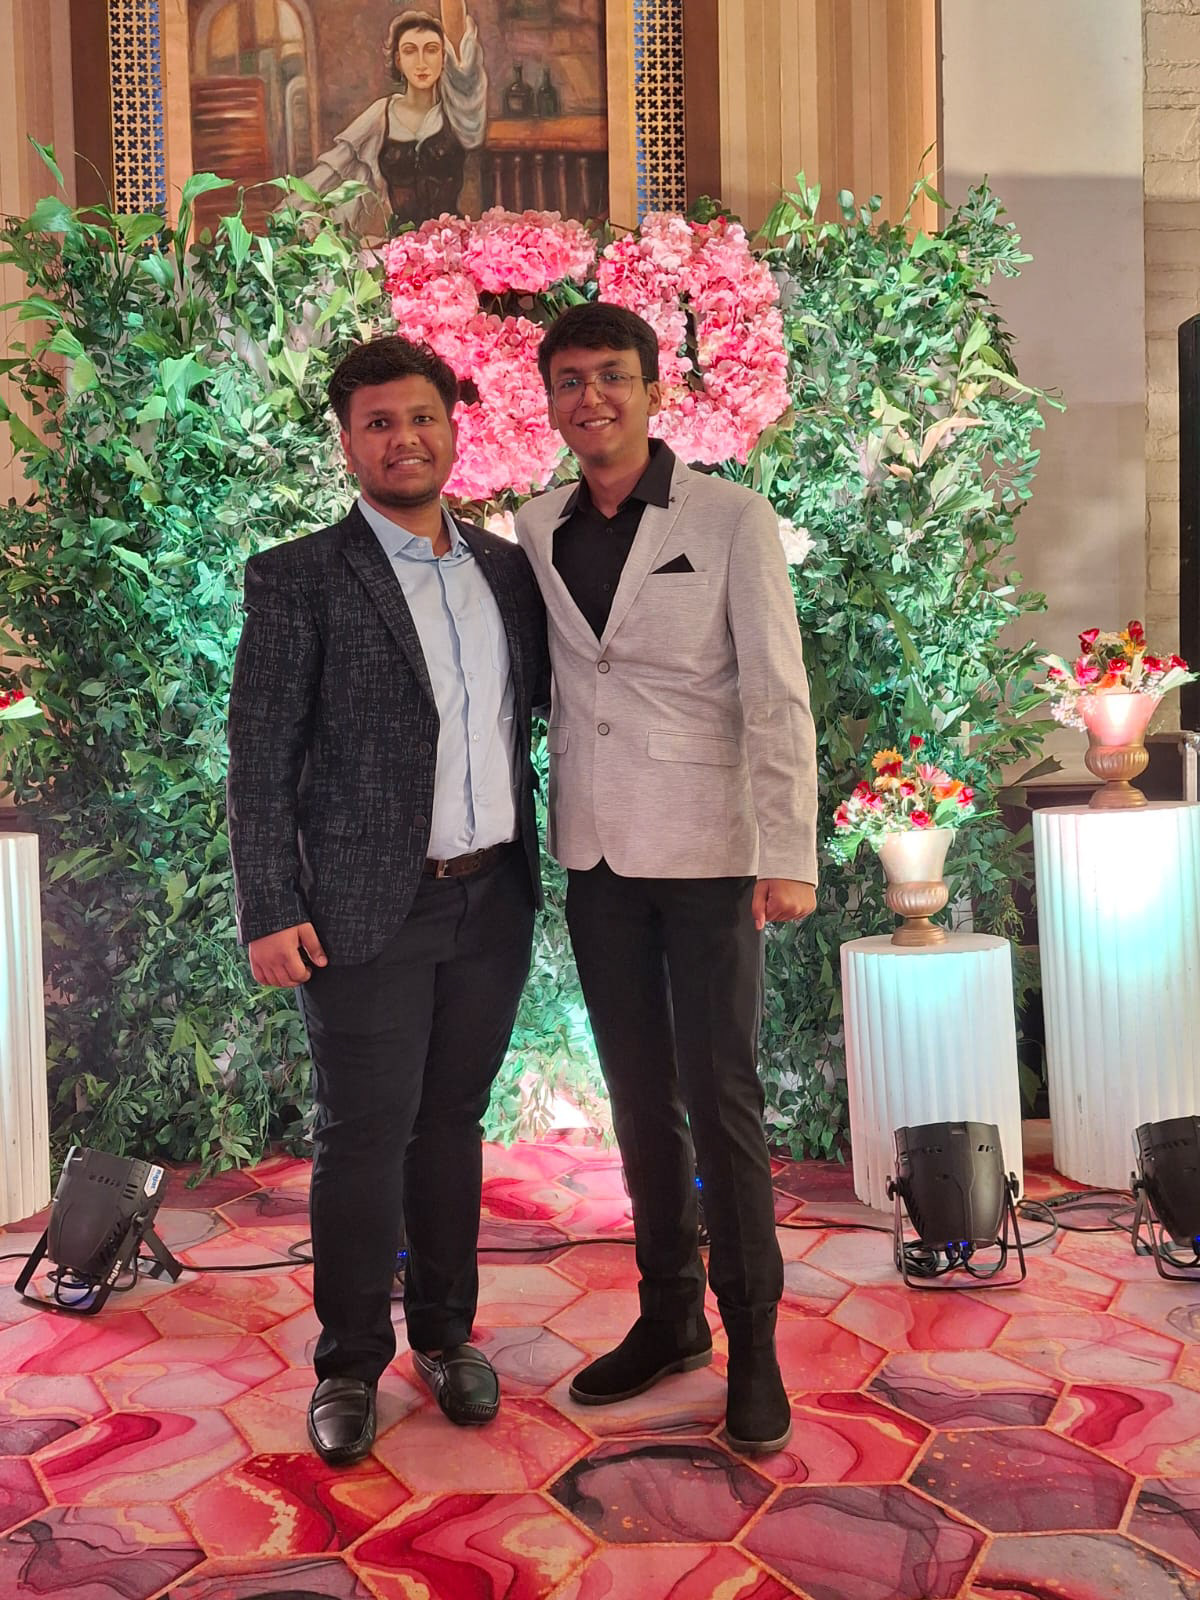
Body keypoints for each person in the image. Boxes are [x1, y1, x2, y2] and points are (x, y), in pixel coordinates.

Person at [227, 334, 546, 1467]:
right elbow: (259, 757)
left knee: (451, 1125)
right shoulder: (300, 576)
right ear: (347, 442)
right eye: (377, 423)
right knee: (362, 1137)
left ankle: (448, 1337)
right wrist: (269, 905)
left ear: (454, 428)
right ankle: (351, 1361)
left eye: (420, 417)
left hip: (492, 899)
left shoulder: (508, 571)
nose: (403, 439)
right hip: (366, 909)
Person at [514, 303, 818, 1455]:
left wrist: (787, 850)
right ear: (550, 400)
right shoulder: (534, 525)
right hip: (595, 855)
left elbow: (776, 693)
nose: (590, 397)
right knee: (640, 1098)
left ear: (653, 390)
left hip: (709, 854)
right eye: (570, 380)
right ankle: (669, 1315)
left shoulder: (731, 518)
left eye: (611, 376)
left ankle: (756, 1342)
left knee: (722, 1097)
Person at [301, 4, 487, 233]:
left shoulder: (456, 113)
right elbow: (332, 172)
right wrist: (295, 217)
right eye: (410, 51)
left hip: (453, 241)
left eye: (431, 50)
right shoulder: (381, 114)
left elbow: (466, 70)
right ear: (398, 60)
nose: (421, 62)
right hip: (399, 244)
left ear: (443, 57)